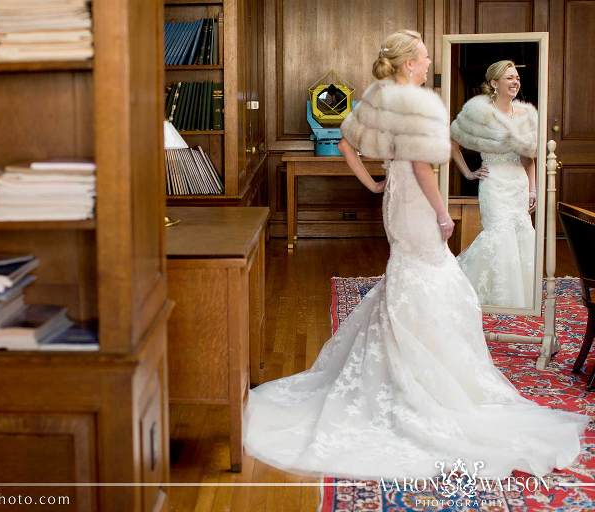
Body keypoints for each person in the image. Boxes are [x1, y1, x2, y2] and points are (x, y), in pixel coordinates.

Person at [242, 30, 588, 480]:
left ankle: (406, 367)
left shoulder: (379, 97)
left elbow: (347, 144)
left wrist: (373, 185)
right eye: (424, 59)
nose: (428, 65)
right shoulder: (415, 103)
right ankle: (421, 380)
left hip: (396, 205)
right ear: (408, 64)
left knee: (413, 278)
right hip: (419, 207)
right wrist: (444, 214)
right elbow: (423, 166)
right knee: (435, 281)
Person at [451, 61, 538, 308]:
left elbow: (529, 158)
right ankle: (477, 292)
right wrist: (468, 173)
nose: (515, 82)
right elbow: (452, 142)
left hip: (518, 184)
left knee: (522, 235)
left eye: (517, 77)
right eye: (509, 77)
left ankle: (520, 299)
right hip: (494, 183)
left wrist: (533, 189)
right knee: (498, 236)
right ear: (493, 83)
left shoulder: (524, 114)